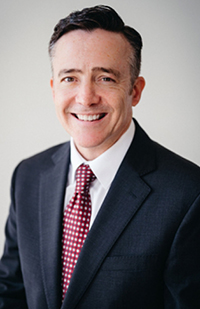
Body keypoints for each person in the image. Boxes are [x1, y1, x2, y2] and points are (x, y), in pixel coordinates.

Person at [0, 5, 200, 309]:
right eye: (70, 78)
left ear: (134, 90)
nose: (85, 97)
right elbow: (11, 293)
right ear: (54, 89)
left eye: (105, 78)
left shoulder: (188, 193)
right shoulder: (28, 176)